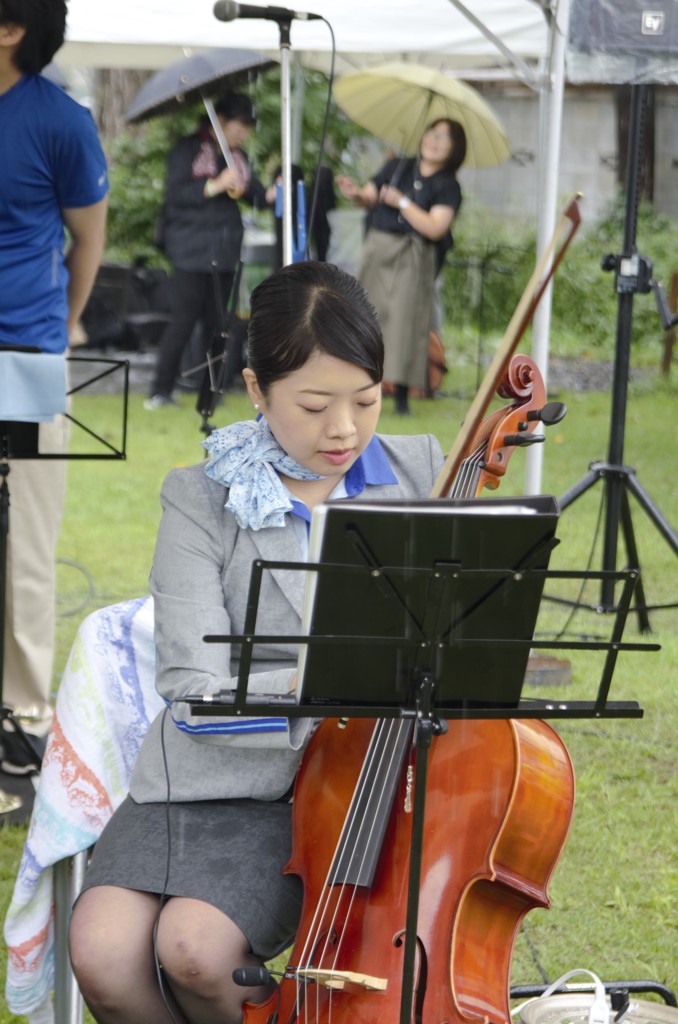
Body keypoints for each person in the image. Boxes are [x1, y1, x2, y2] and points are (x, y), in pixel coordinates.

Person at [68, 260, 445, 1024]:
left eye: (365, 400)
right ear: (256, 389)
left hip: (332, 793)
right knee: (104, 956)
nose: (343, 429)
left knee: (199, 954)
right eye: (313, 405)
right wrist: (335, 683)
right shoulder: (201, 495)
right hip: (205, 778)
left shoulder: (423, 473)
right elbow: (193, 680)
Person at [0, 0, 108, 758]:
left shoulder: (63, 121)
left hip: (26, 358)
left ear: (11, 30)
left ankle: (22, 724)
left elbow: (88, 240)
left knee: (27, 551)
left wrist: (58, 329)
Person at [145, 92, 275, 410]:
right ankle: (160, 391)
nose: (243, 132)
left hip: (225, 251)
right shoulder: (188, 149)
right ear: (220, 121)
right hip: (190, 250)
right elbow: (175, 194)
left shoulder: (237, 158)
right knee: (184, 320)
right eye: (238, 125)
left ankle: (211, 390)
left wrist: (272, 191)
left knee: (219, 323)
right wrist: (214, 185)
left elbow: (254, 194)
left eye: (247, 127)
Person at [337, 118, 466, 416]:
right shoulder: (397, 167)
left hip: (414, 255)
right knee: (365, 316)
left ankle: (403, 396)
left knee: (406, 323)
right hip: (379, 248)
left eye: (443, 138)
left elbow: (435, 227)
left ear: (454, 149)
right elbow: (370, 196)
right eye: (432, 133)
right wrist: (354, 192)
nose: (434, 140)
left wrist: (403, 202)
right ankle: (357, 388)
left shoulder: (449, 185)